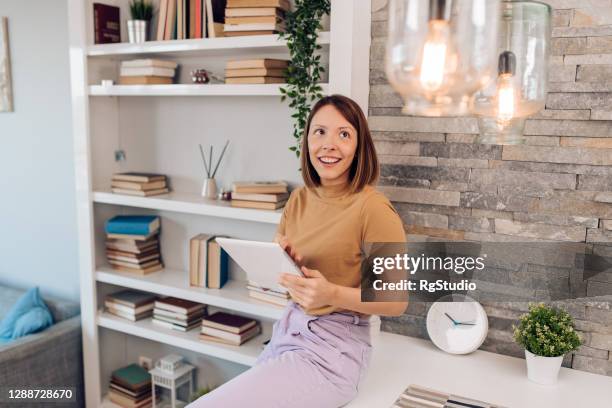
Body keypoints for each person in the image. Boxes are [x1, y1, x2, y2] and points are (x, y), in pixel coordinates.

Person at [189, 94, 408, 408]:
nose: (329, 144)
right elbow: (292, 275)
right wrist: (288, 264)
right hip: (288, 332)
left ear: (360, 147)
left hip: (334, 353)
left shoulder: (373, 209)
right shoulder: (299, 200)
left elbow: (395, 300)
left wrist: (331, 293)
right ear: (307, 141)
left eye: (343, 134)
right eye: (319, 132)